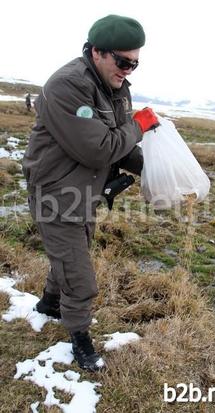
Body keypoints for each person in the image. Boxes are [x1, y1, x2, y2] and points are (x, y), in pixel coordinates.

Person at [22, 14, 158, 372]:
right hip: (55, 191)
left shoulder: (115, 87)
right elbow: (98, 149)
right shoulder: (68, 86)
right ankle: (80, 339)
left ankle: (49, 304)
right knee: (80, 275)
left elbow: (119, 145)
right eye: (123, 61)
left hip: (84, 189)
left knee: (73, 252)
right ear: (97, 51)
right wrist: (138, 126)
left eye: (135, 63)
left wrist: (156, 171)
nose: (129, 70)